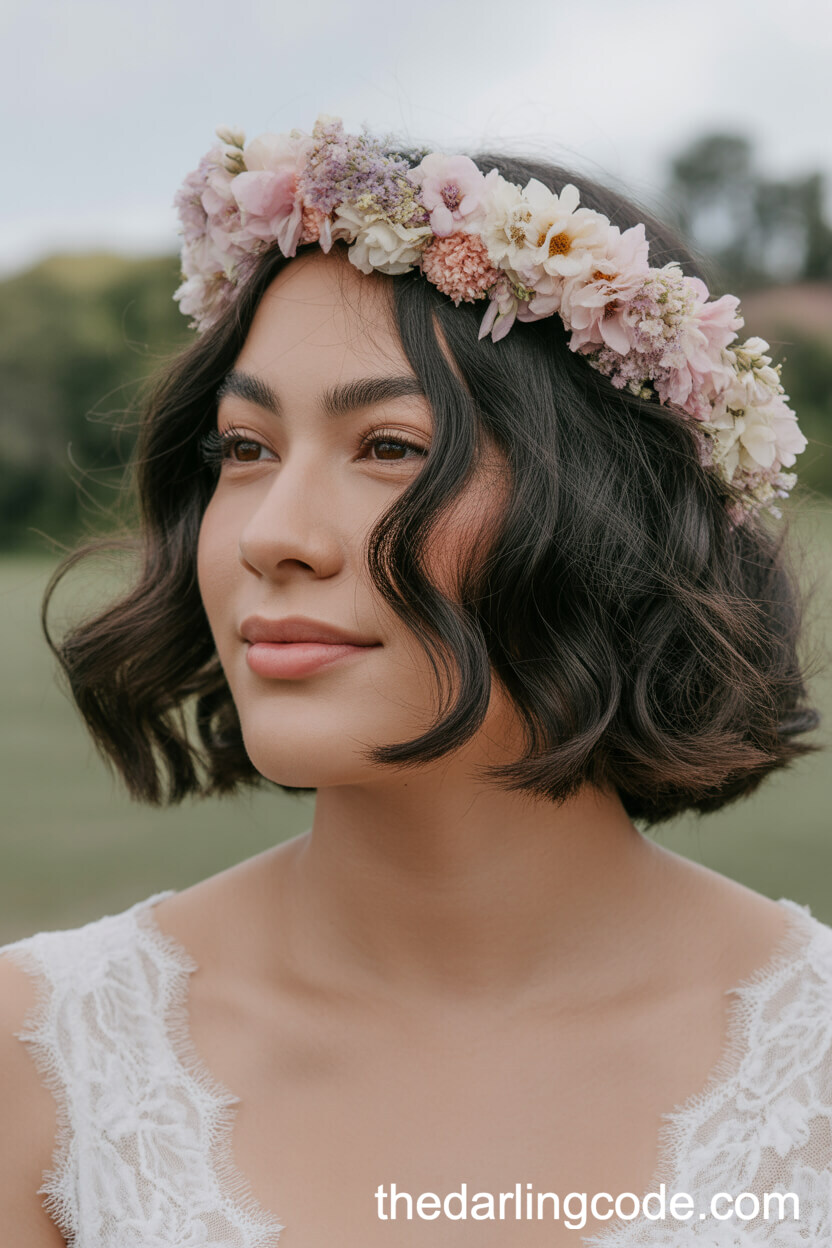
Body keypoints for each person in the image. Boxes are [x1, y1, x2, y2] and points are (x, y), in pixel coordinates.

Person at [0, 115, 829, 1247]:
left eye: (390, 447)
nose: (270, 536)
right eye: (243, 449)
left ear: (608, 514)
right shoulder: (40, 1064)